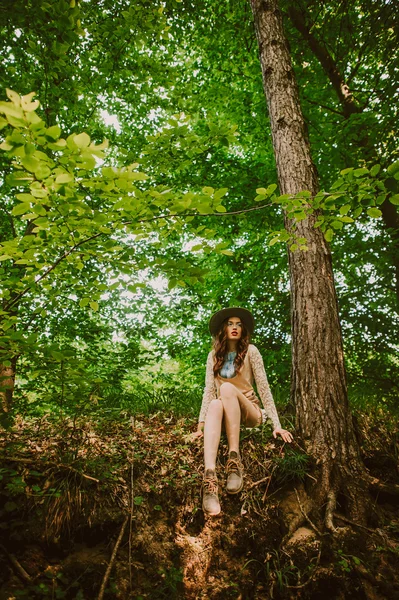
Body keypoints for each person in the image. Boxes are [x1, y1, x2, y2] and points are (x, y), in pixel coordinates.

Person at [192, 307, 293, 516]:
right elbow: (209, 390)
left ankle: (234, 460)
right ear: (223, 329)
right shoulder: (213, 356)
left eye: (239, 324)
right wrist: (200, 425)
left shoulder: (251, 352)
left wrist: (277, 425)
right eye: (230, 324)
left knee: (227, 388)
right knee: (215, 403)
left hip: (250, 411)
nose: (235, 327)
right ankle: (209, 478)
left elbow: (264, 388)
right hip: (224, 413)